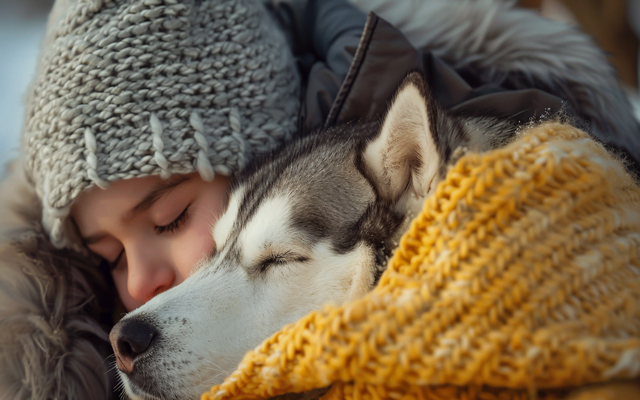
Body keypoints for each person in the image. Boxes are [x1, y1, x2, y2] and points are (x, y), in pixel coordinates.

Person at [1, 0, 639, 399]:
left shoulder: (517, 210)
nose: (140, 285)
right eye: (108, 254)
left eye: (172, 219)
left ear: (263, 141)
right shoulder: (57, 342)